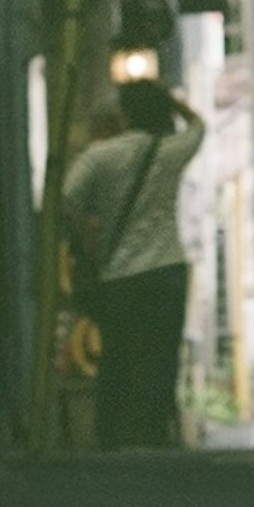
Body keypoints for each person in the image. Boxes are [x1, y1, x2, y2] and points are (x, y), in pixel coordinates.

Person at [62, 80, 201, 449]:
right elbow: (200, 127)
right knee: (161, 358)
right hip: (168, 270)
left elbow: (65, 200)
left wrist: (89, 233)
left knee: (118, 358)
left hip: (122, 276)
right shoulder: (170, 151)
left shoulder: (100, 156)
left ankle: (109, 438)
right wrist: (171, 100)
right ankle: (152, 436)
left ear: (124, 114)